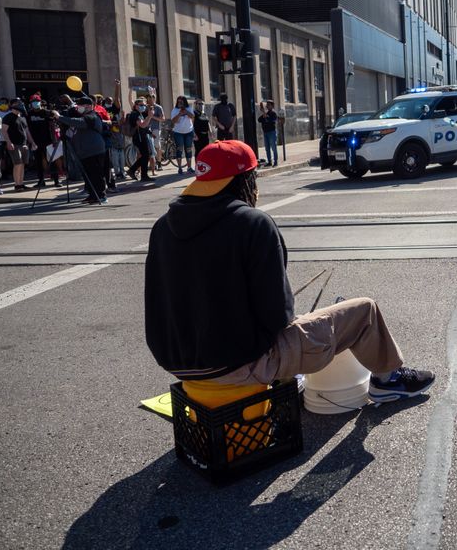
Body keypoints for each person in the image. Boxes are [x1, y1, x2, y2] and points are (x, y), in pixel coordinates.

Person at [144, 140, 435, 403]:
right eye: (253, 179)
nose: (256, 189)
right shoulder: (252, 224)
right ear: (243, 181)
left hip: (180, 366)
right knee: (363, 311)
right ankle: (389, 379)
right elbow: (277, 317)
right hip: (242, 365)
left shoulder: (162, 227)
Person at [56, 97, 107, 204]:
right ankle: (93, 195)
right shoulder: (85, 116)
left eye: (80, 106)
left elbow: (78, 122)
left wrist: (59, 117)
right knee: (88, 175)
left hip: (94, 151)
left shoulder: (92, 116)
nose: (77, 108)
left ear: (88, 106)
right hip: (84, 152)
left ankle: (101, 195)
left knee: (96, 174)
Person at [2, 99, 37, 191]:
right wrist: (9, 142)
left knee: (22, 164)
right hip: (14, 144)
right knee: (17, 164)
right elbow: (4, 131)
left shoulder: (22, 118)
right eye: (17, 103)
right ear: (13, 105)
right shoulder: (8, 117)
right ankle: (17, 185)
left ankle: (21, 184)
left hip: (24, 144)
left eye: (20, 103)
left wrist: (32, 142)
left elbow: (27, 131)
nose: (20, 105)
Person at [27, 94, 61, 188]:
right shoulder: (29, 114)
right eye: (33, 102)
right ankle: (41, 181)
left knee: (51, 160)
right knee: (38, 162)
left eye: (37, 101)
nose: (35, 103)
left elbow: (52, 126)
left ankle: (56, 180)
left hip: (48, 140)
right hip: (35, 142)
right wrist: (30, 142)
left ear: (40, 102)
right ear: (30, 103)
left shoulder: (47, 112)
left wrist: (54, 140)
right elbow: (27, 129)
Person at [127, 99, 155, 182]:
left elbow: (143, 127)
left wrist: (150, 133)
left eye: (143, 105)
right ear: (136, 106)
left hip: (141, 137)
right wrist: (149, 116)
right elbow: (142, 125)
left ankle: (134, 171)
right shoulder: (135, 114)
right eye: (141, 105)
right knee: (145, 156)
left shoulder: (139, 114)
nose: (143, 106)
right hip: (139, 138)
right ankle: (142, 175)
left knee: (145, 156)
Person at [170, 95, 196, 174]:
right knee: (179, 149)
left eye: (181, 102)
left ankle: (189, 167)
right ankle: (180, 168)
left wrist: (186, 112)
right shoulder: (174, 110)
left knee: (188, 149)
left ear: (184, 102)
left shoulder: (189, 108)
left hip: (188, 132)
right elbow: (173, 121)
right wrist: (179, 114)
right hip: (178, 133)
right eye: (179, 102)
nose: (180, 103)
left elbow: (192, 116)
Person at [145, 92, 165, 172]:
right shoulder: (145, 107)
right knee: (149, 147)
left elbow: (163, 119)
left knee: (157, 146)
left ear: (154, 98)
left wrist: (152, 116)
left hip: (156, 129)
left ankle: (159, 163)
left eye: (152, 97)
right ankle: (152, 164)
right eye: (149, 97)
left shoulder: (158, 107)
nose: (150, 99)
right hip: (147, 129)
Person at [258, 100, 279, 167]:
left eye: (269, 105)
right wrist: (264, 114)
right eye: (267, 105)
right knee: (267, 148)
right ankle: (269, 161)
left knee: (273, 147)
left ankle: (275, 161)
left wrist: (265, 115)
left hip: (272, 132)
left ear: (272, 106)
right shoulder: (266, 113)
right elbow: (259, 120)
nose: (267, 106)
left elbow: (271, 120)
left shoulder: (273, 113)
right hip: (265, 132)